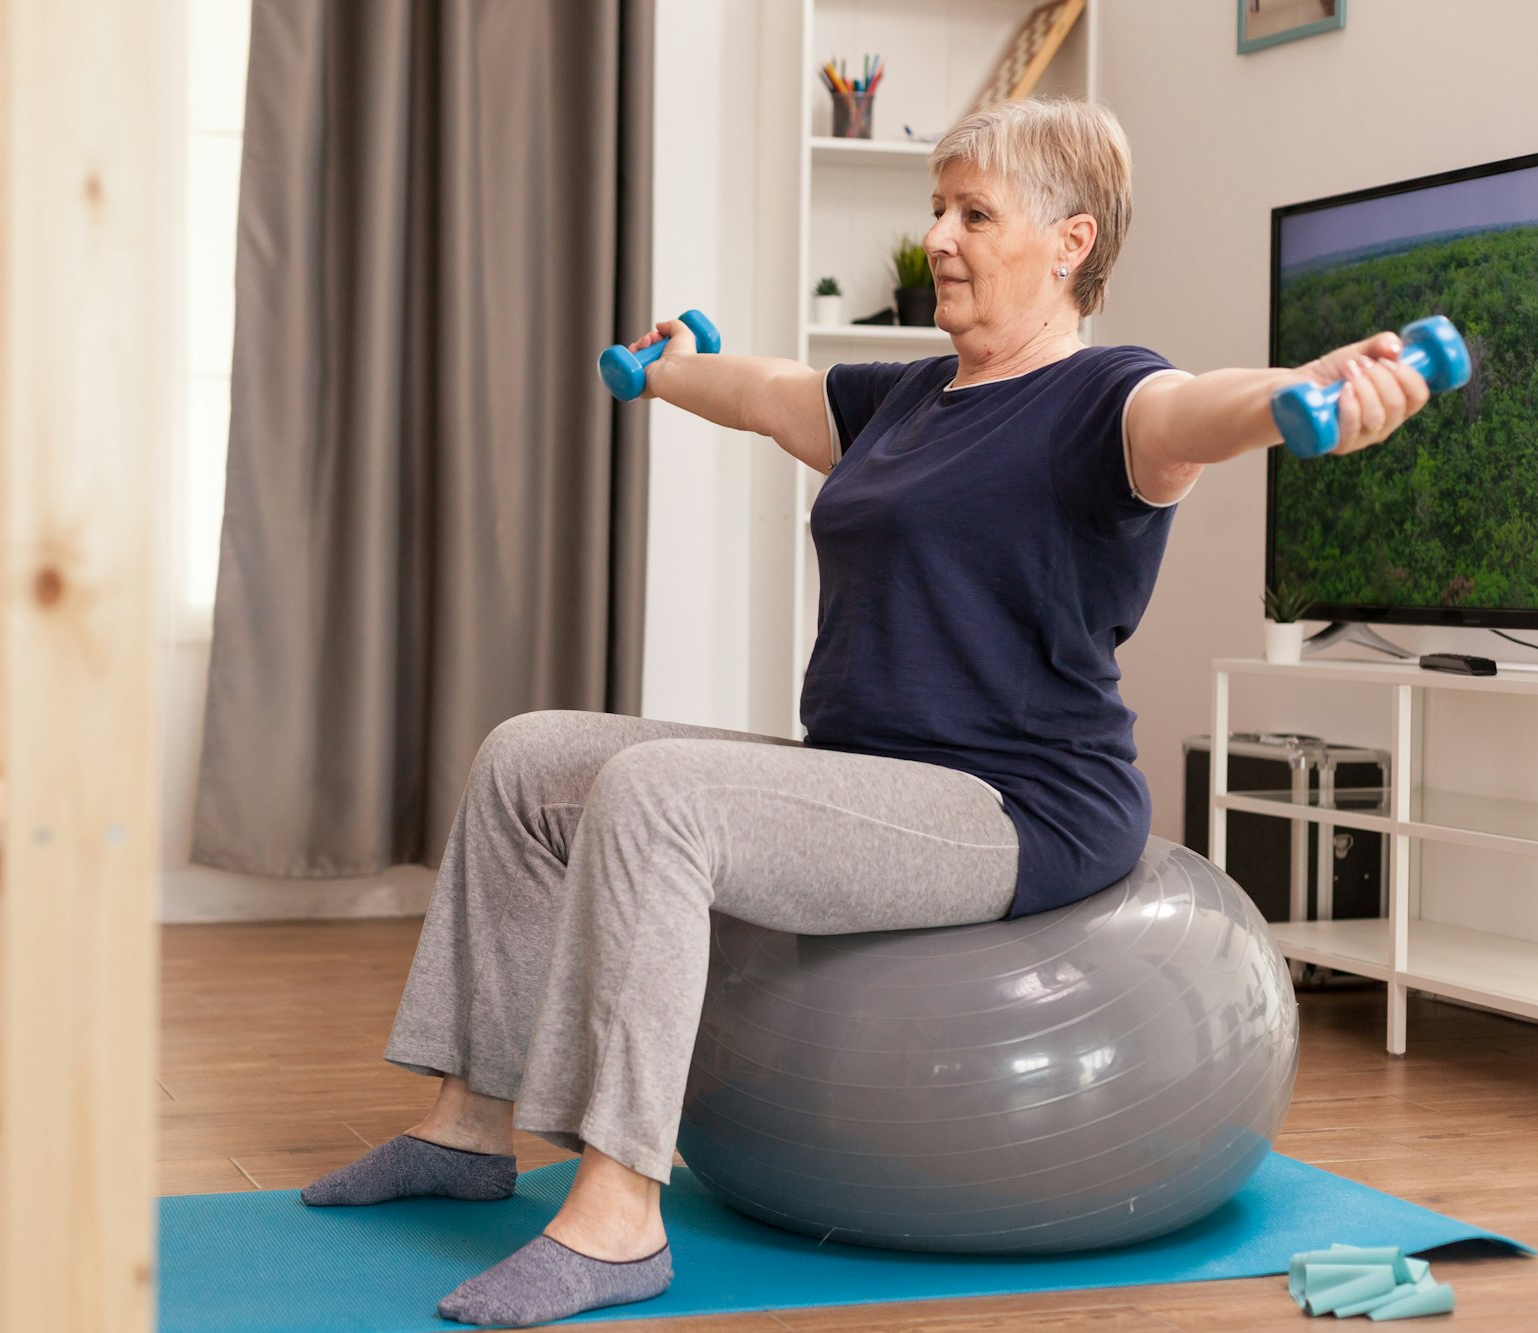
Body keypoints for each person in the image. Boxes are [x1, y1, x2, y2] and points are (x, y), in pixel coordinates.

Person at [299, 96, 1433, 1329]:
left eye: (973, 214)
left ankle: (618, 1218)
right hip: (867, 772)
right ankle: (464, 1131)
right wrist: (663, 369)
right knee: (529, 759)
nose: (938, 237)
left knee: (656, 797)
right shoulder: (910, 400)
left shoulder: (1110, 399)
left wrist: (1304, 390)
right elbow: (770, 391)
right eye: (936, 209)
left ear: (1069, 240)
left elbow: (1202, 407)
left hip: (1018, 804)